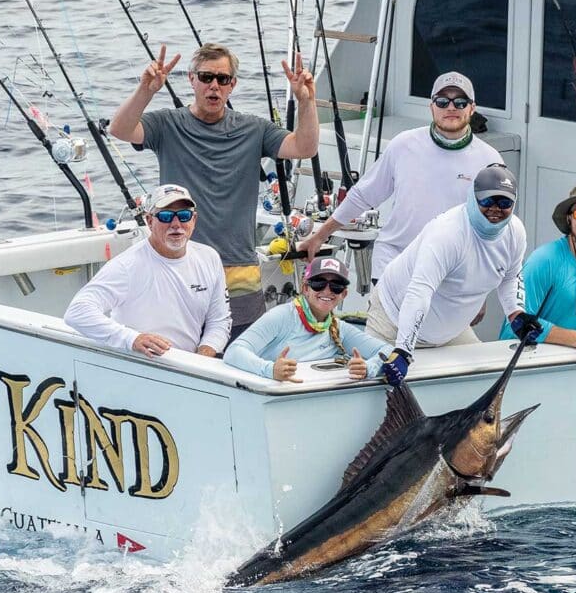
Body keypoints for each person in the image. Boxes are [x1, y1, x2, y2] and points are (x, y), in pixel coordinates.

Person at [108, 43, 319, 339]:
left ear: (232, 84)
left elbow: (304, 147)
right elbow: (119, 130)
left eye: (222, 79)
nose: (214, 86)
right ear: (191, 79)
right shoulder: (167, 124)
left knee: (243, 351)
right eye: (206, 77)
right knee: (180, 349)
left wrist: (307, 101)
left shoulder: (254, 128)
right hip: (178, 267)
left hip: (238, 267)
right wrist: (146, 89)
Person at [297, 72, 504, 281]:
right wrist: (319, 237)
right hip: (394, 264)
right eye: (442, 101)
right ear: (431, 107)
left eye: (460, 102)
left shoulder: (489, 160)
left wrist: (479, 290)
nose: (450, 107)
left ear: (472, 108)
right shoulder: (403, 144)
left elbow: (493, 227)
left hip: (453, 274)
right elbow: (362, 196)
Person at [367, 164, 543, 386]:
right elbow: (419, 291)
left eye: (505, 203)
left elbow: (510, 276)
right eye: (487, 201)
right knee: (377, 388)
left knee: (482, 385)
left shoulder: (515, 232)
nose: (495, 209)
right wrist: (403, 350)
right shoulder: (447, 233)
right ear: (472, 197)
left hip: (451, 333)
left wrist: (516, 314)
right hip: (392, 325)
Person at [64, 184, 230, 358]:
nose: (176, 224)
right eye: (165, 216)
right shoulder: (126, 266)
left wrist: (203, 357)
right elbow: (77, 312)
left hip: (189, 367)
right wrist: (132, 339)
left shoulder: (209, 257)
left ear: (193, 220)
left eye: (183, 215)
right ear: (150, 221)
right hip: (138, 364)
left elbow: (219, 320)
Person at [498, 182, 576, 356]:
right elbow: (516, 324)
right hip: (523, 356)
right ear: (569, 220)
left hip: (573, 356)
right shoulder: (544, 260)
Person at [224, 257, 391, 382]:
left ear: (344, 294)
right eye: (318, 283)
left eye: (336, 285)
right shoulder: (281, 317)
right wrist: (270, 369)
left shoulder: (340, 329)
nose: (327, 291)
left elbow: (389, 352)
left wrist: (368, 368)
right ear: (305, 288)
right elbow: (234, 351)